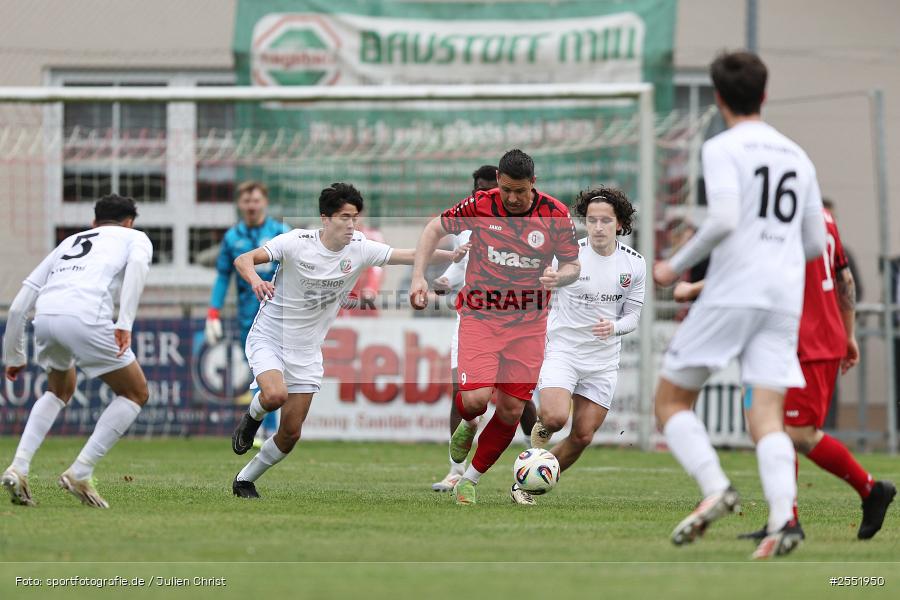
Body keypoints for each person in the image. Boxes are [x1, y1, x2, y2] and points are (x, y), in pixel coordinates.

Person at [652, 51, 826, 559]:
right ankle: (782, 521)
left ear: (719, 97)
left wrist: (673, 265)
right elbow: (813, 242)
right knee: (768, 418)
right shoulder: (798, 154)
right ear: (765, 95)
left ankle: (715, 488)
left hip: (735, 289)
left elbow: (725, 218)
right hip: (783, 296)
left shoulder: (723, 146)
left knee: (671, 403)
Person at [229, 183, 464, 499]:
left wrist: (453, 254)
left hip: (308, 350)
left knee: (290, 433)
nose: (351, 225)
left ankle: (244, 479)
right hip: (270, 337)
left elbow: (408, 254)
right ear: (325, 218)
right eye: (344, 217)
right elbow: (244, 259)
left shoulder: (360, 247)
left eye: (355, 217)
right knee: (274, 395)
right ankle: (252, 419)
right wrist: (257, 280)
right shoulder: (295, 242)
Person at [675, 208, 896, 540]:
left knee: (797, 433)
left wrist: (693, 290)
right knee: (770, 427)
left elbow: (753, 271)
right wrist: (847, 333)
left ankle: (871, 490)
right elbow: (843, 279)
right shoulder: (823, 217)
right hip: (786, 339)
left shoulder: (778, 218)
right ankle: (784, 520)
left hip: (807, 341)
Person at [410, 149, 580, 505]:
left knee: (511, 410)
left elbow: (573, 265)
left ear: (534, 184)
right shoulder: (481, 204)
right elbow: (433, 228)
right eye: (506, 190)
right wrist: (418, 278)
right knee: (472, 402)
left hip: (529, 326)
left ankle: (469, 480)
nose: (513, 198)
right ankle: (469, 424)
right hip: (481, 316)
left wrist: (558, 276)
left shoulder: (555, 214)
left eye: (520, 191)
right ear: (498, 182)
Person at [2, 195, 153, 509]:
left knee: (59, 389)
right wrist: (124, 322)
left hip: (45, 318)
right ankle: (80, 471)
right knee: (135, 392)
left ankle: (19, 466)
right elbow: (138, 266)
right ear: (129, 222)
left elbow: (19, 305)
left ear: (94, 223)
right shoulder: (135, 237)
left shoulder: (71, 241)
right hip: (86, 317)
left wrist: (14, 356)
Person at [515, 186, 645, 504]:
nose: (598, 227)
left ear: (619, 224)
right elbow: (541, 281)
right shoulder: (570, 256)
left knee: (583, 435)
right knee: (556, 418)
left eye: (605, 220)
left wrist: (613, 327)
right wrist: (548, 279)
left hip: (603, 360)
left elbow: (634, 318)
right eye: (591, 220)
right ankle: (536, 448)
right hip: (564, 351)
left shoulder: (634, 264)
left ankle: (528, 483)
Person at [430, 165, 538, 493]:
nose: (483, 193)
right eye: (478, 187)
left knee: (517, 401)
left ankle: (535, 457)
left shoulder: (533, 224)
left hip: (517, 325)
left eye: (489, 187)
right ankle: (455, 469)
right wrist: (444, 280)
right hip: (474, 321)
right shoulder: (469, 226)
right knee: (462, 394)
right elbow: (459, 268)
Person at [204, 181, 289, 443]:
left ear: (264, 202)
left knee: (278, 372)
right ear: (240, 205)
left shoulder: (281, 232)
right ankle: (264, 430)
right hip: (248, 317)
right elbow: (222, 276)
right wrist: (213, 312)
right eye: (247, 201)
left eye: (256, 200)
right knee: (260, 371)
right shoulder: (232, 237)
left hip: (282, 314)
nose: (252, 206)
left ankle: (269, 429)